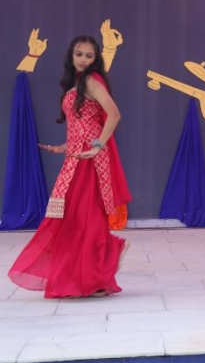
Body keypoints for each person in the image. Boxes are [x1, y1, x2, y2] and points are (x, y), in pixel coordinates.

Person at [8, 35, 131, 298]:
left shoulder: (92, 81)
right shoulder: (75, 83)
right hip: (75, 157)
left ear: (95, 59)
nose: (83, 59)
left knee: (83, 216)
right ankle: (100, 265)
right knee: (72, 217)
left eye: (89, 55)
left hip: (90, 160)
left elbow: (114, 114)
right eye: (79, 54)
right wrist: (66, 146)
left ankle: (96, 272)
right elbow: (81, 124)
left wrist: (98, 145)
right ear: (71, 56)